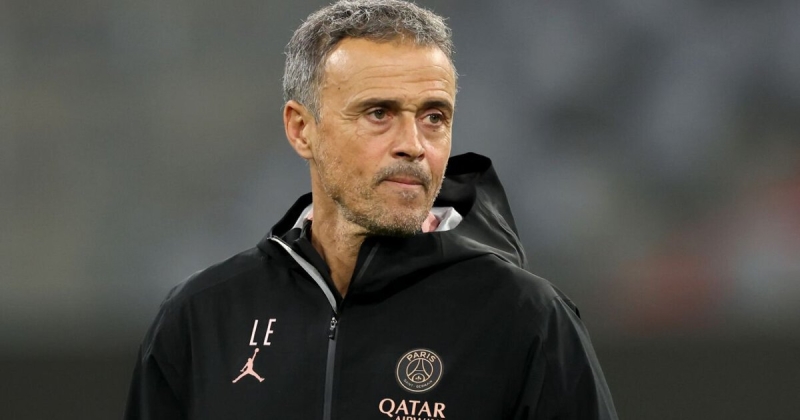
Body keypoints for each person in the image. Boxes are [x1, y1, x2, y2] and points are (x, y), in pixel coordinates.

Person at [125, 1, 618, 419]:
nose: (413, 145)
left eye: (433, 117)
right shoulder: (202, 317)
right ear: (301, 129)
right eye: (378, 113)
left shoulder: (526, 320)